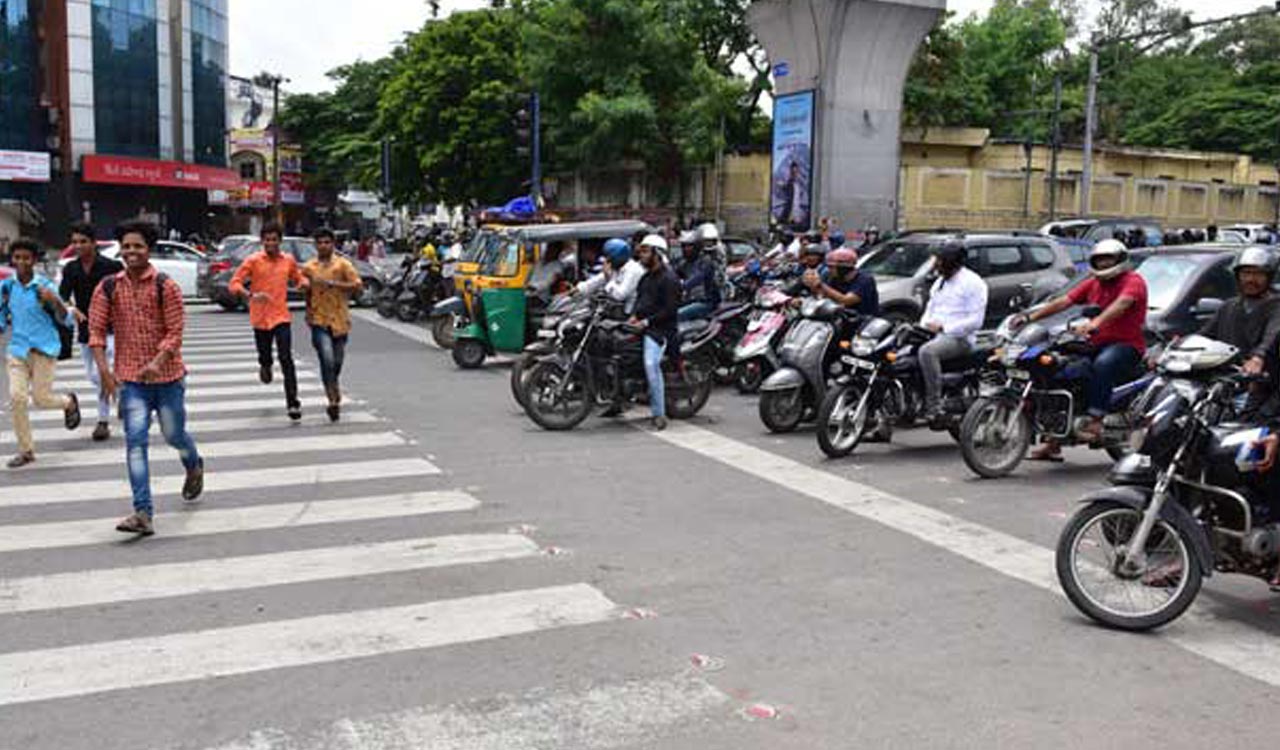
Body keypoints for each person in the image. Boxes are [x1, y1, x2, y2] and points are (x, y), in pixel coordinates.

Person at [89, 221, 202, 536]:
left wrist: (158, 361)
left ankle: (193, 464)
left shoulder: (165, 286)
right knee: (135, 443)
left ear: (148, 249)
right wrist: (105, 372)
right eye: (126, 246)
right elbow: (95, 333)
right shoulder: (108, 287)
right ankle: (143, 512)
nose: (131, 252)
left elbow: (175, 332)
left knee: (173, 435)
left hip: (168, 379)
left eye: (137, 246)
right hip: (132, 382)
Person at [1018, 239, 1148, 459]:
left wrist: (1097, 323)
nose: (1104, 264)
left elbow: (1122, 304)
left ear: (1120, 260)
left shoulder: (1133, 281)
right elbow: (1064, 301)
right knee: (1061, 368)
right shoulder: (1094, 282)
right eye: (1100, 259)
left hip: (1126, 345)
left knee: (1103, 364)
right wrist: (1029, 317)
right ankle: (1054, 438)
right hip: (1094, 343)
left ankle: (1096, 420)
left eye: (1109, 259)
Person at [0, 238, 81, 468]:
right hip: (17, 350)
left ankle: (68, 403)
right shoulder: (7, 286)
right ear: (12, 259)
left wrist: (54, 301)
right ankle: (26, 451)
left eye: (26, 258)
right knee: (17, 398)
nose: (21, 262)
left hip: (44, 349)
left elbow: (66, 319)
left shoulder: (44, 286)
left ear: (34, 260)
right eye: (17, 257)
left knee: (41, 399)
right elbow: (1, 314)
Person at [229, 222, 309, 421]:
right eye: (267, 240)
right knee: (266, 357)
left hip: (281, 316)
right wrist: (249, 294)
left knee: (286, 358)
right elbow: (234, 283)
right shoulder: (253, 261)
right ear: (262, 241)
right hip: (260, 317)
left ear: (280, 241)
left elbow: (299, 278)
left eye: (274, 239)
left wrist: (303, 284)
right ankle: (265, 365)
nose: (271, 243)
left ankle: (293, 403)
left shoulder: (288, 260)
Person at [59, 222, 123, 441]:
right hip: (86, 328)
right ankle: (123, 392)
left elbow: (125, 292)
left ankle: (102, 422)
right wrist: (71, 308)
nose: (78, 246)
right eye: (75, 242)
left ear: (94, 243)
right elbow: (63, 295)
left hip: (112, 327)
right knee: (95, 375)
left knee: (104, 371)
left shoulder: (112, 266)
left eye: (83, 241)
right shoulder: (71, 268)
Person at [918, 241, 989, 427]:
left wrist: (944, 328)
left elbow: (975, 321)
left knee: (927, 352)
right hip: (932, 333)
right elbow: (929, 309)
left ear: (951, 261)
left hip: (959, 338)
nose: (935, 264)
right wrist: (923, 325)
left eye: (939, 260)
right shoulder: (940, 282)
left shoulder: (973, 283)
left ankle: (934, 406)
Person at [301, 228, 363, 422]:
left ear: (333, 244)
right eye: (320, 243)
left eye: (327, 242)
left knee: (336, 362)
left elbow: (357, 285)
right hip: (318, 320)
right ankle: (332, 400)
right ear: (315, 245)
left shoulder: (343, 265)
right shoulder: (309, 267)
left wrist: (334, 284)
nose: (323, 246)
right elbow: (305, 289)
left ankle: (333, 385)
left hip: (339, 320)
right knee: (326, 359)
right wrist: (307, 308)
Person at [629, 234, 681, 431]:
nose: (641, 255)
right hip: (643, 325)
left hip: (660, 330)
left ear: (657, 254)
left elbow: (670, 311)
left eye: (645, 251)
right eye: (640, 251)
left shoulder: (670, 279)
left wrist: (646, 322)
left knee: (651, 364)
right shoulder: (645, 278)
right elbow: (639, 301)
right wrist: (633, 316)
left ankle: (659, 413)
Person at [576, 237, 644, 313]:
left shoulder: (633, 270)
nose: (606, 261)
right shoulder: (616, 267)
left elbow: (619, 295)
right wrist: (578, 289)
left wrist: (609, 279)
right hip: (613, 310)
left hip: (628, 314)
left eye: (609, 258)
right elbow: (596, 281)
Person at [805, 247, 879, 316]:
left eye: (832, 267)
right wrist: (813, 287)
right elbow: (822, 297)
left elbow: (847, 300)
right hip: (838, 318)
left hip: (861, 320)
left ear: (843, 268)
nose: (829, 270)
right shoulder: (833, 277)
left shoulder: (864, 279)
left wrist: (821, 285)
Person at [675, 231, 720, 321]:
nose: (686, 249)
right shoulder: (684, 263)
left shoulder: (705, 261)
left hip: (706, 301)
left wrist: (682, 286)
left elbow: (697, 278)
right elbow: (672, 274)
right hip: (689, 300)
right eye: (684, 246)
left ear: (697, 246)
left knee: (678, 315)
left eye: (690, 246)